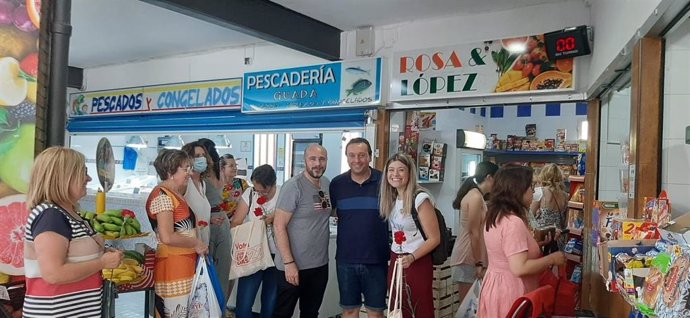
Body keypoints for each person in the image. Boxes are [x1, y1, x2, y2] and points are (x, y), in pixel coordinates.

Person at [23, 147, 124, 318]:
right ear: (63, 177)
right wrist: (101, 263)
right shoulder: (50, 216)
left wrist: (102, 252)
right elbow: (54, 273)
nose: (89, 178)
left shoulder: (69, 214)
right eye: (83, 172)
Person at [478, 165, 566, 318]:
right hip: (512, 290)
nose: (533, 192)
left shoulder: (495, 215)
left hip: (495, 285)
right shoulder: (513, 222)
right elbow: (519, 267)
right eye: (530, 187)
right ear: (517, 190)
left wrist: (534, 246)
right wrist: (552, 258)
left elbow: (506, 252)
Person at [329, 138, 389, 318]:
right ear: (346, 157)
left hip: (376, 259)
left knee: (376, 312)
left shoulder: (384, 182)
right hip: (346, 259)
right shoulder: (337, 184)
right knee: (349, 310)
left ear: (370, 157)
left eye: (362, 155)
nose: (357, 160)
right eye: (352, 155)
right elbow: (332, 214)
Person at [145, 149, 208, 318]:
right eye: (185, 169)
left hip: (182, 263)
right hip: (173, 266)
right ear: (170, 171)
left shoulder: (176, 194)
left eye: (189, 168)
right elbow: (167, 236)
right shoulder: (162, 196)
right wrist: (196, 243)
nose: (189, 173)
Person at [273, 144, 331, 318]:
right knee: (283, 313)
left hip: (319, 265)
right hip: (293, 267)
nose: (317, 163)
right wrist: (289, 263)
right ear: (304, 161)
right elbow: (278, 225)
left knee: (310, 312)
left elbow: (329, 212)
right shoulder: (293, 186)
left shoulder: (326, 183)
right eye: (312, 159)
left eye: (321, 159)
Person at [380, 153, 439, 318]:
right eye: (391, 170)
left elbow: (434, 238)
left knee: (419, 308)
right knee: (398, 307)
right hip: (397, 260)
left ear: (409, 173)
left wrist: (412, 257)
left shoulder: (420, 199)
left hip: (417, 261)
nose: (395, 174)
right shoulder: (392, 199)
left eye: (401, 170)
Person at [231, 164, 281, 318]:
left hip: (275, 255)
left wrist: (274, 218)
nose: (259, 193)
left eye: (263, 191)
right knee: (244, 301)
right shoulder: (250, 193)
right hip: (253, 253)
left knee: (270, 301)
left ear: (273, 184)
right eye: (256, 189)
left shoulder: (283, 194)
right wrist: (258, 226)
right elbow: (236, 222)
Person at [449, 161, 498, 304]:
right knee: (468, 307)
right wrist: (479, 262)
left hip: (472, 256)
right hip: (467, 257)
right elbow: (473, 233)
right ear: (489, 177)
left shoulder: (478, 196)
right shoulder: (475, 197)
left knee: (474, 307)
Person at [198, 138, 233, 310]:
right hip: (206, 220)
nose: (201, 158)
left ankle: (220, 307)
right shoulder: (197, 174)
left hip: (220, 218)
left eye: (203, 154)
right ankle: (207, 307)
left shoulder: (216, 169)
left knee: (223, 267)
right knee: (207, 267)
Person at [530, 163, 568, 253]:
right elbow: (564, 223)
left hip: (542, 239)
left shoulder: (540, 191)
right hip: (557, 239)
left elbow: (529, 216)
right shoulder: (565, 196)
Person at [181, 141, 212, 245]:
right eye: (197, 156)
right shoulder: (185, 184)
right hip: (190, 243)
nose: (202, 159)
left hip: (203, 243)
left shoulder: (202, 184)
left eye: (203, 155)